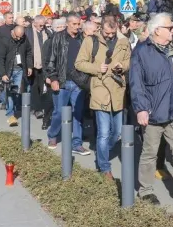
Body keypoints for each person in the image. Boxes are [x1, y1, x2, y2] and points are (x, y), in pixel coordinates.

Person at [130, 13, 173, 208]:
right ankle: (146, 191)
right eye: (169, 27)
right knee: (150, 152)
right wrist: (141, 108)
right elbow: (136, 84)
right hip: (153, 112)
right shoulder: (142, 52)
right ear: (157, 30)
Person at [75, 14, 131, 178]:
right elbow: (79, 63)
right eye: (107, 33)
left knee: (117, 132)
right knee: (104, 132)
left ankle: (103, 151)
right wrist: (97, 68)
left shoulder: (124, 42)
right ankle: (104, 166)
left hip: (118, 90)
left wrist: (123, 66)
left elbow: (130, 61)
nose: (110, 36)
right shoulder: (90, 41)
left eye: (112, 33)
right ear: (101, 29)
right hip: (100, 89)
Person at [45, 13, 91, 156]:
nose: (77, 27)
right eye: (74, 24)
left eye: (79, 24)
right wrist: (53, 78)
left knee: (77, 114)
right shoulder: (58, 37)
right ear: (67, 24)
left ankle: (76, 144)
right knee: (59, 112)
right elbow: (51, 59)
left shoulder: (83, 39)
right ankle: (52, 134)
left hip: (78, 82)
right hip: (62, 80)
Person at [0, 21, 32, 127]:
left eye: (21, 37)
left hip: (20, 69)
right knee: (10, 92)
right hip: (8, 70)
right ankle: (10, 115)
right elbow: (0, 59)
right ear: (13, 33)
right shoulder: (5, 41)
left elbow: (29, 52)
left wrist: (29, 66)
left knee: (17, 92)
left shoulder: (24, 39)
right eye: (17, 37)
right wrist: (3, 74)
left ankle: (14, 108)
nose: (19, 39)